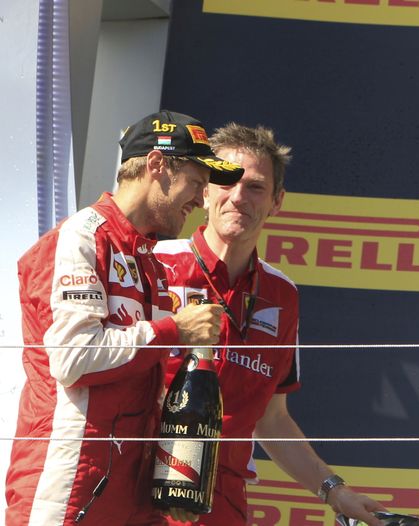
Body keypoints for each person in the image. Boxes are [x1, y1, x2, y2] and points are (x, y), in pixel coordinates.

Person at [5, 110, 243, 526]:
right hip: (66, 490)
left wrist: (169, 480)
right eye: (195, 183)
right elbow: (74, 359)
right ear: (156, 166)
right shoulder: (81, 237)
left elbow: (140, 379)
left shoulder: (147, 261)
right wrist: (175, 329)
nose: (200, 199)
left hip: (129, 496)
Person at [153, 123, 385, 525]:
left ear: (277, 201)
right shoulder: (155, 263)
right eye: (226, 181)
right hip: (141, 487)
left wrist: (334, 490)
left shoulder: (282, 295)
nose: (239, 196)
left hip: (220, 501)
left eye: (256, 187)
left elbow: (271, 418)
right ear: (205, 190)